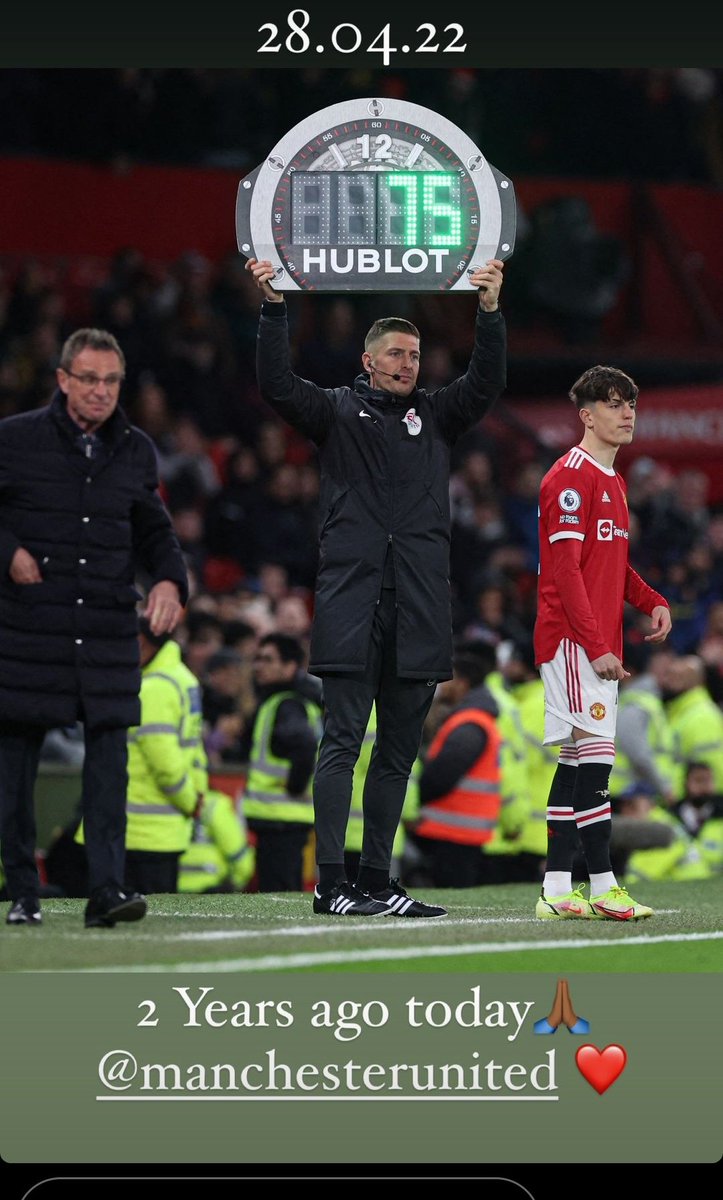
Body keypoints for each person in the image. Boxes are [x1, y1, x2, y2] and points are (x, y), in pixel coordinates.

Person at [245, 255, 507, 917]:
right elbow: (276, 384)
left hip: (419, 606)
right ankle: (330, 883)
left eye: (414, 354)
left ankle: (376, 880)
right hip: (352, 602)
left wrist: (490, 313)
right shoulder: (334, 412)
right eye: (394, 353)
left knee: (395, 752)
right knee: (340, 742)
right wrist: (275, 309)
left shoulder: (437, 416)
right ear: (368, 361)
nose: (406, 364)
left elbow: (485, 383)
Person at [0, 327, 187, 928]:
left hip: (105, 630)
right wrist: (8, 552)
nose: (101, 392)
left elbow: (154, 530)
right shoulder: (15, 439)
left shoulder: (134, 449)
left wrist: (168, 581)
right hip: (29, 627)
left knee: (110, 766)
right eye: (89, 379)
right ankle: (22, 890)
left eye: (111, 381)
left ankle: (107, 889)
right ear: (62, 379)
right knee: (13, 772)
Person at [533, 365, 672, 921]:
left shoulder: (612, 480)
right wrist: (595, 646)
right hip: (572, 638)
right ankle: (604, 885)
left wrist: (652, 598)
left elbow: (609, 565)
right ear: (585, 416)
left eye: (631, 403)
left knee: (575, 763)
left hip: (591, 638)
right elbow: (565, 573)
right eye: (613, 404)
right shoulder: (570, 477)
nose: (627, 412)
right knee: (595, 764)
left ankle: (559, 889)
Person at [119, 616, 205, 894]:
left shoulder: (154, 687)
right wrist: (195, 797)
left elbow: (165, 764)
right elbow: (195, 750)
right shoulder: (184, 679)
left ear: (142, 642)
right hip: (167, 828)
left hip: (141, 831)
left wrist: (189, 800)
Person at [239, 632, 322, 892]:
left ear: (290, 667)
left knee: (280, 892)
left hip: (282, 819)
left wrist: (294, 787)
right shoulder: (285, 701)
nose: (258, 666)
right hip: (281, 820)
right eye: (257, 659)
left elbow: (305, 745)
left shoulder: (287, 704)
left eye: (267, 659)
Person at [413, 650, 503, 888]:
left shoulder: (470, 723)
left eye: (448, 679)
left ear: (462, 683)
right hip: (461, 829)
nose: (443, 686)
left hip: (453, 831)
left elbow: (441, 775)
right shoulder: (473, 719)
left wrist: (415, 802)